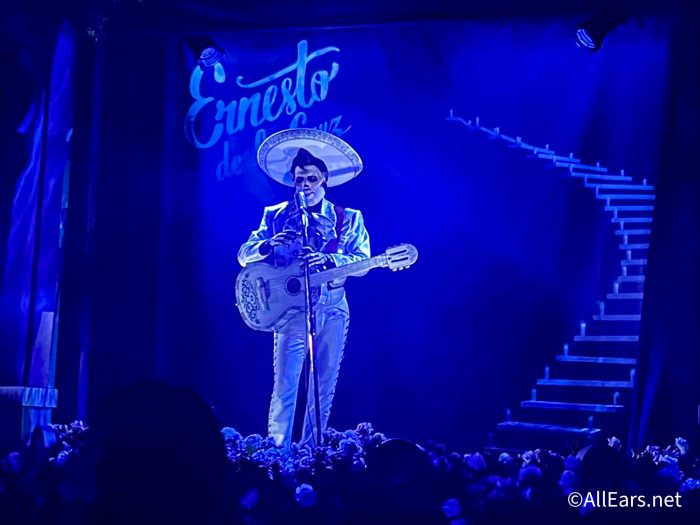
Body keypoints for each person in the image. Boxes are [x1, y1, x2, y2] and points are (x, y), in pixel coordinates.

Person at [238, 129, 370, 448]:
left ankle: (313, 454)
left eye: (311, 178)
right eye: (299, 179)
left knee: (322, 386)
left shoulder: (347, 218)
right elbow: (244, 255)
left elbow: (363, 262)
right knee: (285, 385)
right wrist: (268, 246)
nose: (304, 185)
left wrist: (329, 259)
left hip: (333, 305)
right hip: (289, 311)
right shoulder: (276, 215)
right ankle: (276, 455)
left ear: (323, 179)